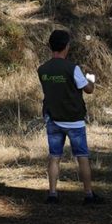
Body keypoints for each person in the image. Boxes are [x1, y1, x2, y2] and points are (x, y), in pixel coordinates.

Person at [37, 29, 101, 205]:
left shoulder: (42, 69)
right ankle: (88, 194)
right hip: (74, 119)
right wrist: (92, 79)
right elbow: (88, 89)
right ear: (66, 46)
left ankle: (52, 193)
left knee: (54, 156)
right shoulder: (73, 68)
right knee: (82, 157)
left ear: (50, 46)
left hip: (53, 118)